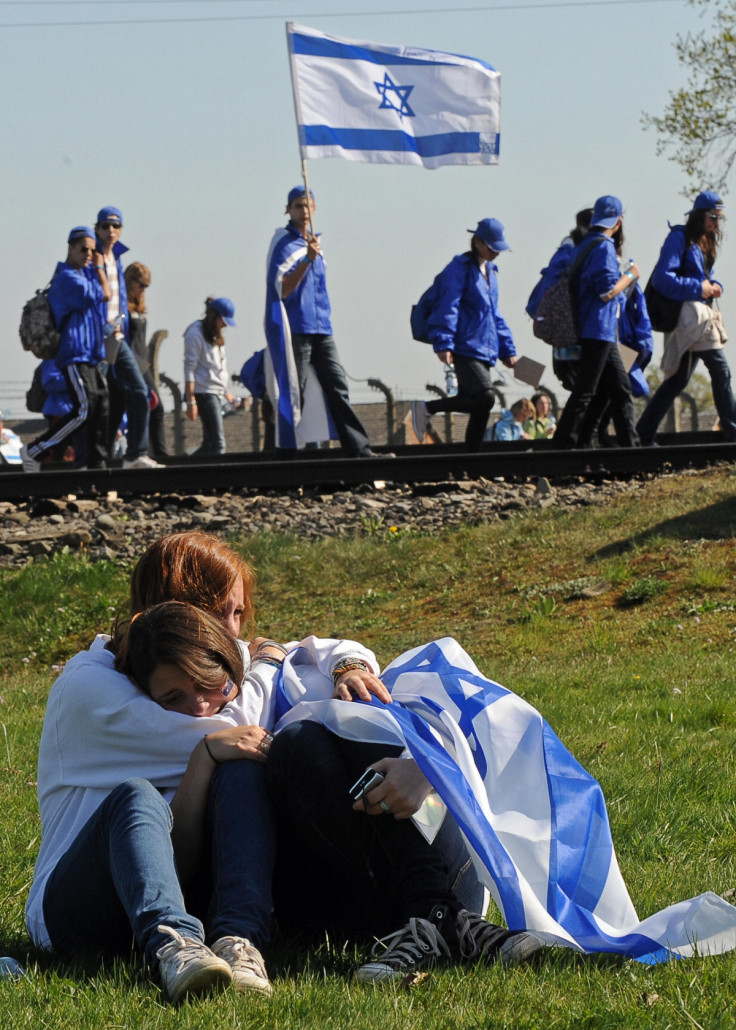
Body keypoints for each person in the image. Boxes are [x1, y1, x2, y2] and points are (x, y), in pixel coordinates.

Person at [264, 186, 375, 456]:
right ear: (288, 209)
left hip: (322, 328)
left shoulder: (316, 245)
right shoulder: (284, 244)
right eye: (298, 206)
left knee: (338, 386)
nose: (303, 212)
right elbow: (282, 289)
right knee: (293, 392)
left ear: (314, 210)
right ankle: (282, 452)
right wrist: (306, 260)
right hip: (297, 328)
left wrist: (312, 255)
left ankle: (359, 449)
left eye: (307, 206)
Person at [637, 190, 736, 445]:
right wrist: (699, 288)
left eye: (719, 218)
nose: (716, 222)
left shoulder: (705, 241)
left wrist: (712, 283)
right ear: (700, 215)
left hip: (696, 319)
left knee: (678, 379)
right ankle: (732, 431)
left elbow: (701, 275)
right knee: (720, 369)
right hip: (688, 319)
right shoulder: (679, 237)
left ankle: (643, 434)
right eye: (713, 216)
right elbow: (662, 278)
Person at [411, 218, 517, 451]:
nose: (496, 253)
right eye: (492, 247)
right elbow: (448, 306)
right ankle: (426, 408)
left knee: (481, 405)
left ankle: (471, 459)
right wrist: (443, 342)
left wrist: (507, 349)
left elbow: (493, 314)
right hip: (463, 345)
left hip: (484, 348)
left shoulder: (491, 272)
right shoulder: (458, 269)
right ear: (478, 242)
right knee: (486, 397)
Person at [20, 226, 111, 473]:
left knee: (100, 407)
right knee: (83, 410)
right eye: (84, 249)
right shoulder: (67, 279)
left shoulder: (84, 276)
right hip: (73, 354)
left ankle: (95, 465)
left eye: (93, 251)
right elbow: (103, 293)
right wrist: (101, 268)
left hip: (90, 354)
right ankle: (35, 450)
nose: (89, 255)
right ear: (70, 248)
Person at [553, 196, 640, 450]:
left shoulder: (586, 244)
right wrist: (631, 274)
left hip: (597, 330)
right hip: (598, 329)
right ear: (618, 220)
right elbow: (607, 291)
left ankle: (626, 447)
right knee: (587, 392)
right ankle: (564, 445)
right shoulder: (604, 247)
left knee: (618, 390)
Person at [94, 206, 160, 469]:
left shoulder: (116, 258)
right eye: (106, 226)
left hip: (117, 336)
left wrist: (120, 322)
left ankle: (135, 453)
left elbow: (119, 297)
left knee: (139, 390)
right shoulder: (94, 257)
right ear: (97, 229)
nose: (111, 231)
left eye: (116, 226)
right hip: (98, 336)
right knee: (97, 397)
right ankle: (92, 457)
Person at [526, 208, 593, 392]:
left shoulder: (566, 253)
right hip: (578, 340)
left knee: (587, 394)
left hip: (568, 342)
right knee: (588, 393)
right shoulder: (579, 252)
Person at [184, 297, 239, 456]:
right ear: (215, 316)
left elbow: (216, 369)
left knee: (209, 444)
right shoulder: (195, 333)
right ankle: (218, 478)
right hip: (204, 393)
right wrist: (190, 401)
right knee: (218, 444)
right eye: (223, 321)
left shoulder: (215, 335)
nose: (225, 325)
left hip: (215, 392)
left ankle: (190, 470)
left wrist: (225, 392)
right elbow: (189, 369)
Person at [125, 262, 168, 461]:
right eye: (141, 285)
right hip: (131, 360)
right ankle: (148, 453)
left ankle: (159, 453)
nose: (143, 290)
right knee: (146, 406)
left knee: (155, 407)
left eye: (146, 286)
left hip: (142, 361)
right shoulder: (123, 307)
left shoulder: (139, 307)